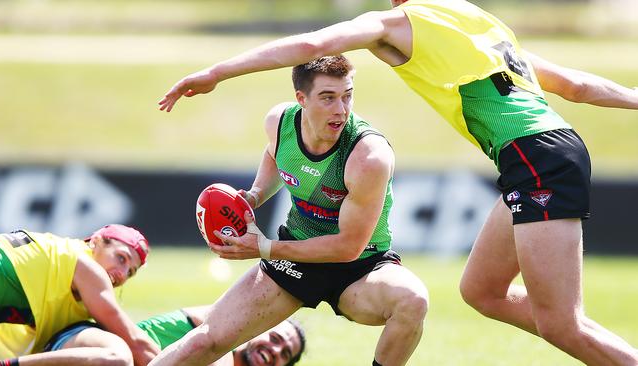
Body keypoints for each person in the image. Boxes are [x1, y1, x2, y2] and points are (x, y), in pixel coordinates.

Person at [156, 1, 638, 365]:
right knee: (482, 292)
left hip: (537, 158)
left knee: (560, 323)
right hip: (538, 155)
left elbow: (312, 47)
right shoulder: (478, 23)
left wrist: (217, 72)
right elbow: (575, 88)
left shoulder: (401, 22)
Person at [151, 55, 429, 366]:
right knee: (206, 341)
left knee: (413, 300)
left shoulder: (369, 157)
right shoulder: (279, 121)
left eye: (347, 95)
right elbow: (276, 153)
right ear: (301, 99)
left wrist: (264, 248)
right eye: (328, 97)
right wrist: (255, 195)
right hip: (294, 259)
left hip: (362, 269)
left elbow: (348, 247)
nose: (341, 109)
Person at [0, 225, 160, 366]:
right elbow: (138, 345)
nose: (122, 274)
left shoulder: (68, 281)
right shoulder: (87, 268)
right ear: (95, 242)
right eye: (121, 258)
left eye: (130, 272)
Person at [0, 305, 305, 366]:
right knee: (117, 360)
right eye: (276, 339)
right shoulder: (220, 325)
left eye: (285, 356)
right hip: (84, 345)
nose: (276, 351)